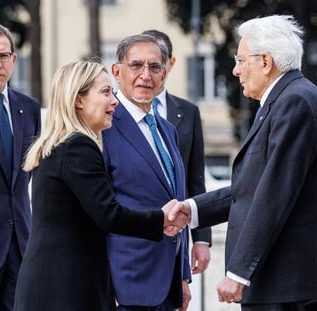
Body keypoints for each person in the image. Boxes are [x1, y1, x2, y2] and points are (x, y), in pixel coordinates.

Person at [169, 15, 317, 310]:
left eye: (241, 59)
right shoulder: (289, 98)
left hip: (282, 282)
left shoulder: (293, 102)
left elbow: (274, 193)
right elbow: (253, 186)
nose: (236, 70)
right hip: (283, 281)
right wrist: (194, 210)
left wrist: (239, 272)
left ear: (265, 61)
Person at [13, 61, 189, 311]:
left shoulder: (59, 145)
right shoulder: (78, 147)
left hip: (53, 282)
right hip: (66, 288)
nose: (114, 101)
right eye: (105, 92)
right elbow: (109, 214)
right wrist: (160, 220)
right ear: (78, 100)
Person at [102, 34, 191, 311]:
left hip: (168, 283)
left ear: (164, 74)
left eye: (154, 67)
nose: (145, 75)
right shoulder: (103, 128)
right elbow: (97, 211)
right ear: (117, 72)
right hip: (124, 284)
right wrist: (103, 284)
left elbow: (178, 201)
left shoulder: (167, 130)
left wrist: (183, 275)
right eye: (136, 65)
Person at [0, 23, 41, 311]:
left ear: (14, 60)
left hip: (21, 247)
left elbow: (36, 176)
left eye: (3, 56)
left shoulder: (28, 109)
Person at [142, 29, 211, 274]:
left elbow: (196, 180)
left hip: (178, 234)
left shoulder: (188, 112)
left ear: (169, 64)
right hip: (136, 229)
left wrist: (201, 239)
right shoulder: (114, 112)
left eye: (157, 62)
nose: (147, 72)